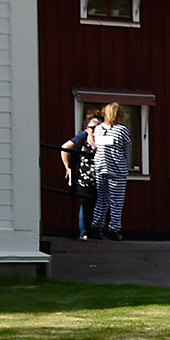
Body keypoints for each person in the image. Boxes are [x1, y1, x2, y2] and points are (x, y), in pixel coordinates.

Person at [90, 102, 133, 240]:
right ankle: (114, 230)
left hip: (100, 168)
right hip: (117, 170)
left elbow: (96, 146)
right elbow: (127, 150)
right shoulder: (122, 130)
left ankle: (96, 227)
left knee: (102, 200)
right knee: (117, 201)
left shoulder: (98, 129)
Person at [59, 111, 98, 240]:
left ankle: (96, 232)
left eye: (97, 127)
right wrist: (68, 168)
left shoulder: (102, 139)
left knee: (98, 205)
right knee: (85, 205)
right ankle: (84, 233)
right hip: (84, 178)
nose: (95, 130)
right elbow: (65, 148)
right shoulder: (82, 137)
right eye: (92, 128)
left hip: (98, 179)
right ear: (87, 128)